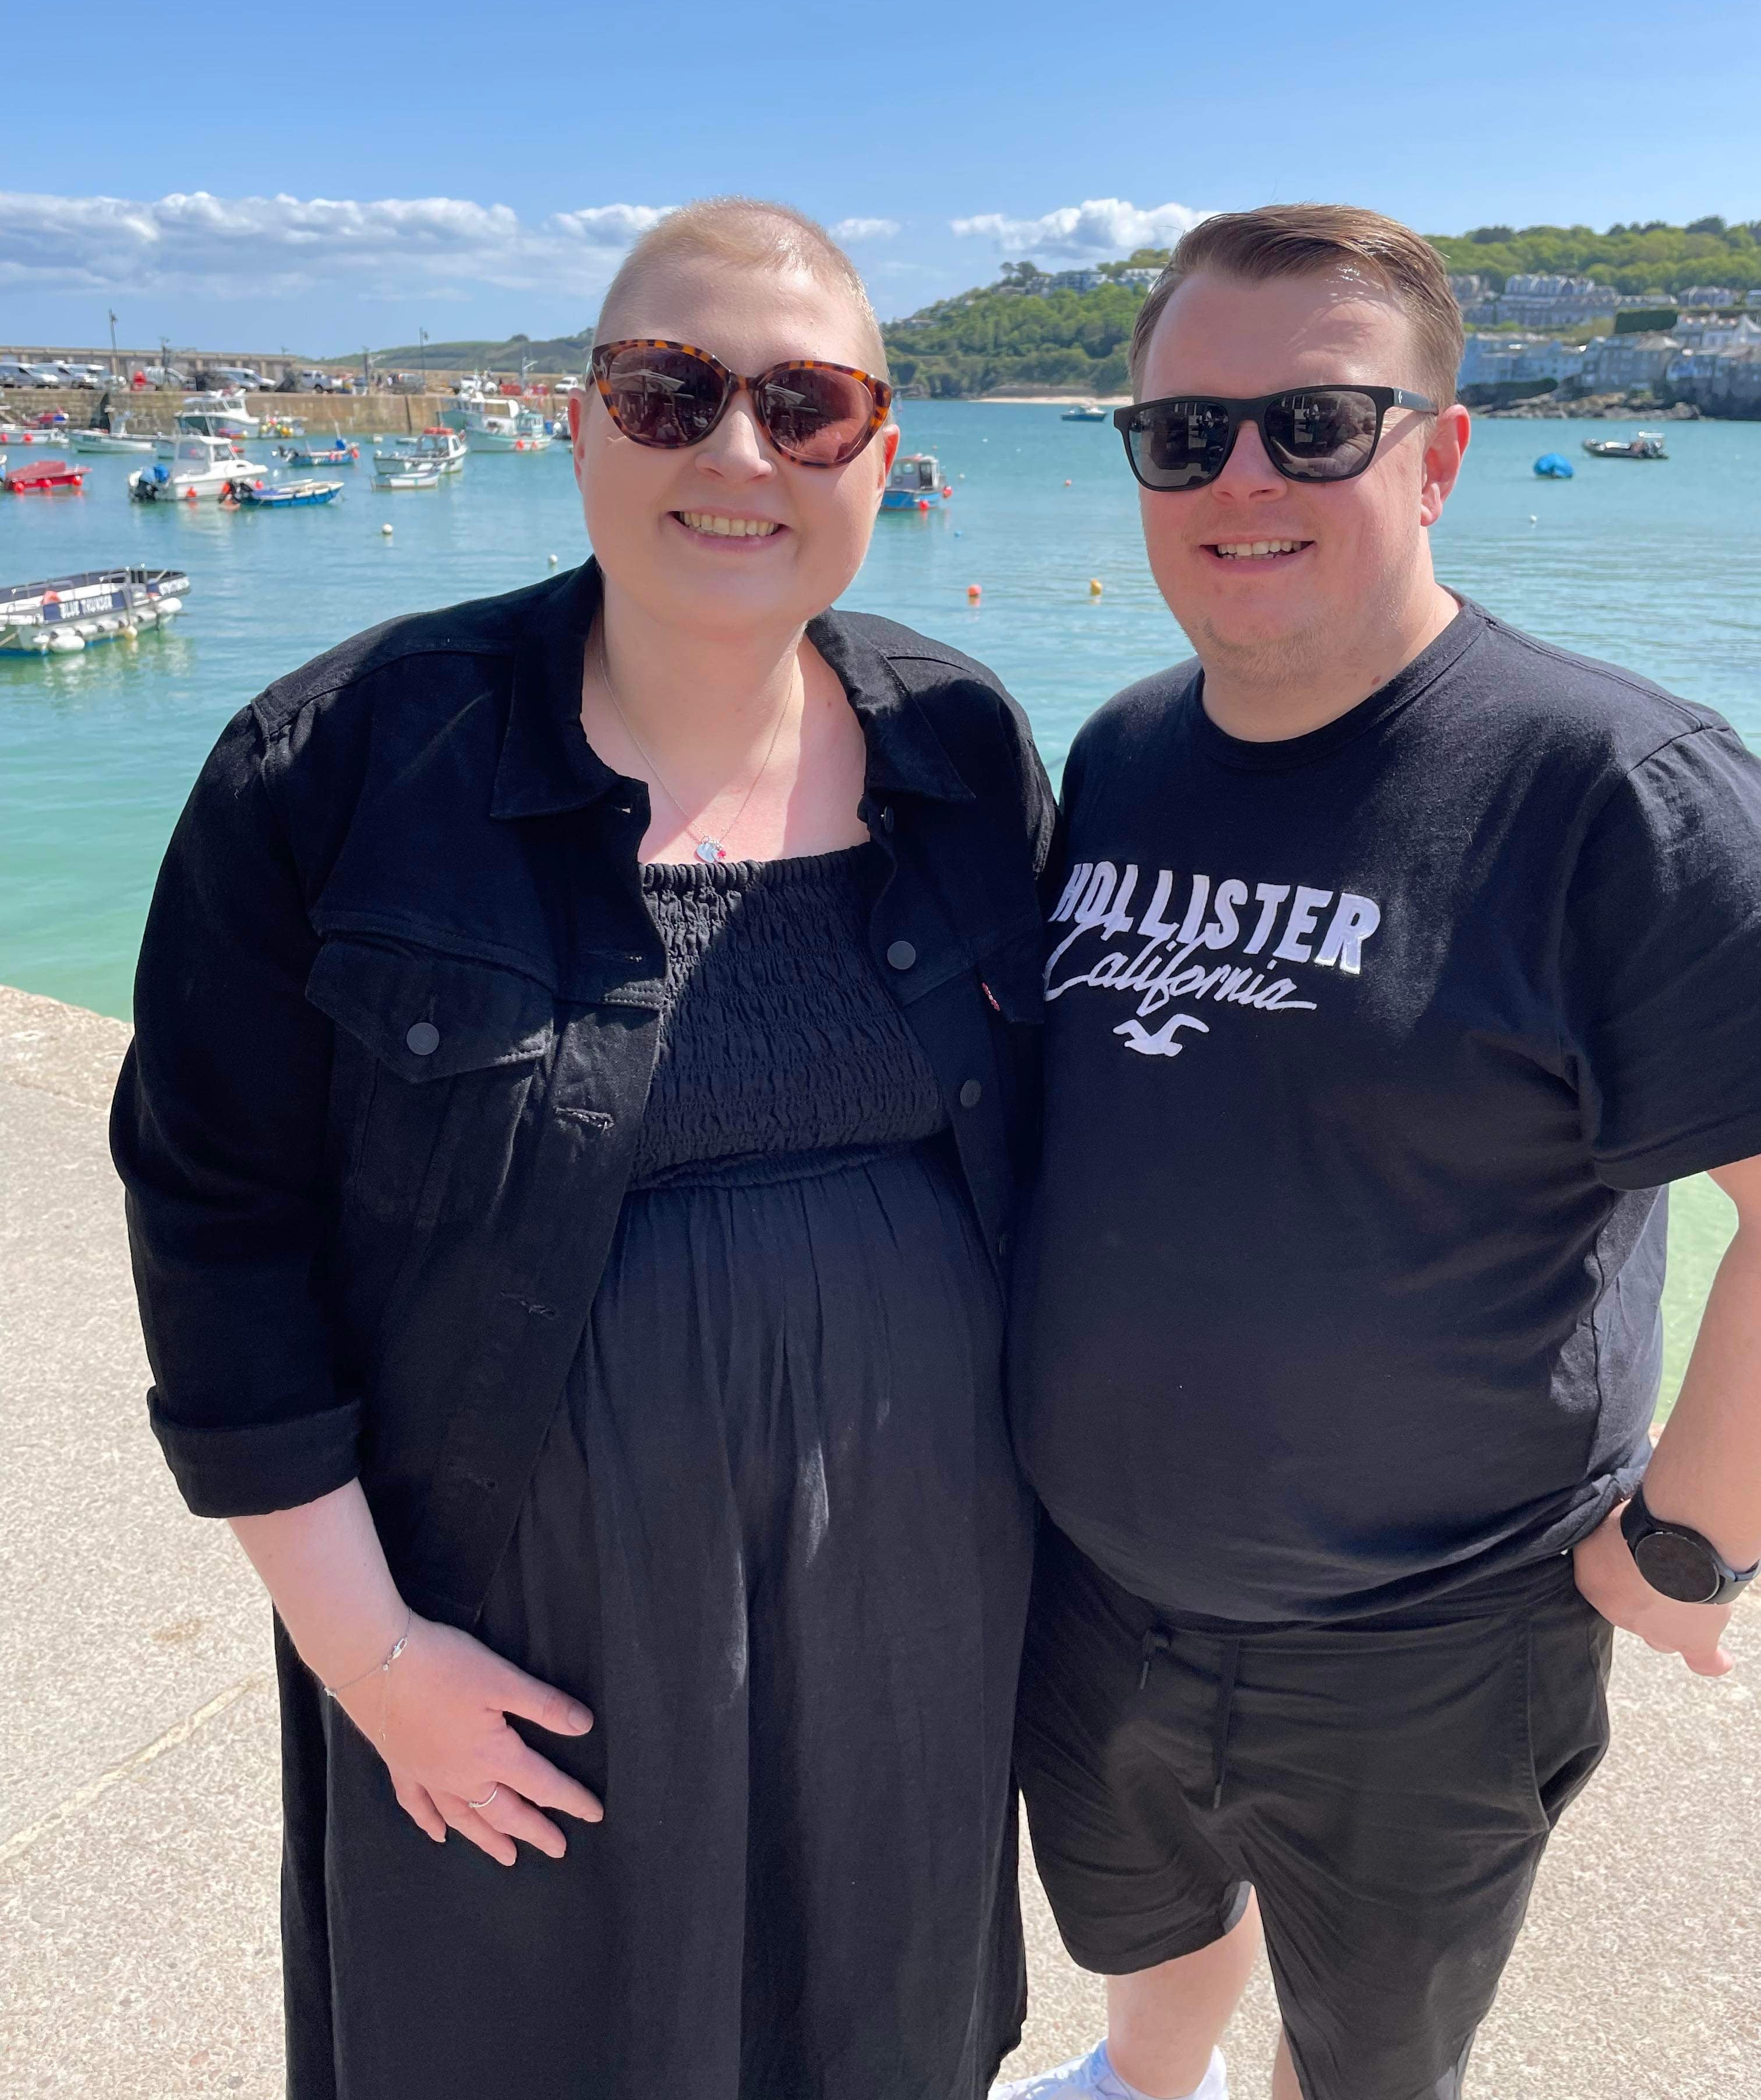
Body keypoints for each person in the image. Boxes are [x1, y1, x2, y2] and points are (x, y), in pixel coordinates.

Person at [112, 199, 1053, 2100]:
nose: (735, 452)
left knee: (876, 2039)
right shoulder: (345, 763)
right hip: (512, 1628)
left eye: (806, 405)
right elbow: (216, 1230)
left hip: (914, 1620)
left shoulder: (961, 748)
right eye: (668, 391)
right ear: (576, 424)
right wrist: (374, 1663)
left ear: (878, 449)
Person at [1000, 203, 1761, 2100]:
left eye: (1316, 426)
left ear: (1439, 454)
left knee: (1373, 2051)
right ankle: (1138, 2084)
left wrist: (1691, 1543)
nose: (1240, 476)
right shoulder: (1119, 751)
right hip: (1095, 1575)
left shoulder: (1620, 791)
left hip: (1432, 1640)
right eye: (1185, 434)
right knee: (1144, 1916)